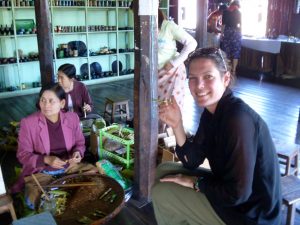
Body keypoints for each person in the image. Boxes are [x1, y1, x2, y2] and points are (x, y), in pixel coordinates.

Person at [152, 47, 282, 225]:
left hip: (249, 214)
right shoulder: (212, 112)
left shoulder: (238, 120)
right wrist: (177, 125)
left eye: (208, 77)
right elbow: (192, 160)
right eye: (193, 79)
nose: (199, 86)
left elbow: (238, 194)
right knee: (163, 170)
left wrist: (195, 183)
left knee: (163, 192)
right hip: (230, 191)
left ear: (226, 78)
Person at [11, 83, 97, 209]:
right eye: (43, 100)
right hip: (43, 172)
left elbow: (80, 142)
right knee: (43, 202)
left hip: (70, 167)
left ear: (62, 103)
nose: (46, 105)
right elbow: (23, 154)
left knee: (95, 183)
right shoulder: (29, 123)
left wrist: (78, 152)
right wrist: (46, 159)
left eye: (51, 101)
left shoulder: (72, 118)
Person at [157, 9, 197, 113]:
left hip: (172, 71)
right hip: (154, 73)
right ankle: (157, 129)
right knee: (154, 105)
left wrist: (174, 63)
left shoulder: (168, 26)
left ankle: (169, 129)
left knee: (171, 106)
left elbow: (192, 43)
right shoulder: (143, 28)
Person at [221, 0, 241, 76]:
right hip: (236, 33)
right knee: (236, 51)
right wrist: (239, 33)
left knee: (226, 51)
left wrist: (222, 34)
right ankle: (234, 70)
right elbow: (240, 25)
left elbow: (223, 24)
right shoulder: (239, 12)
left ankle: (227, 69)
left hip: (227, 32)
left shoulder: (226, 12)